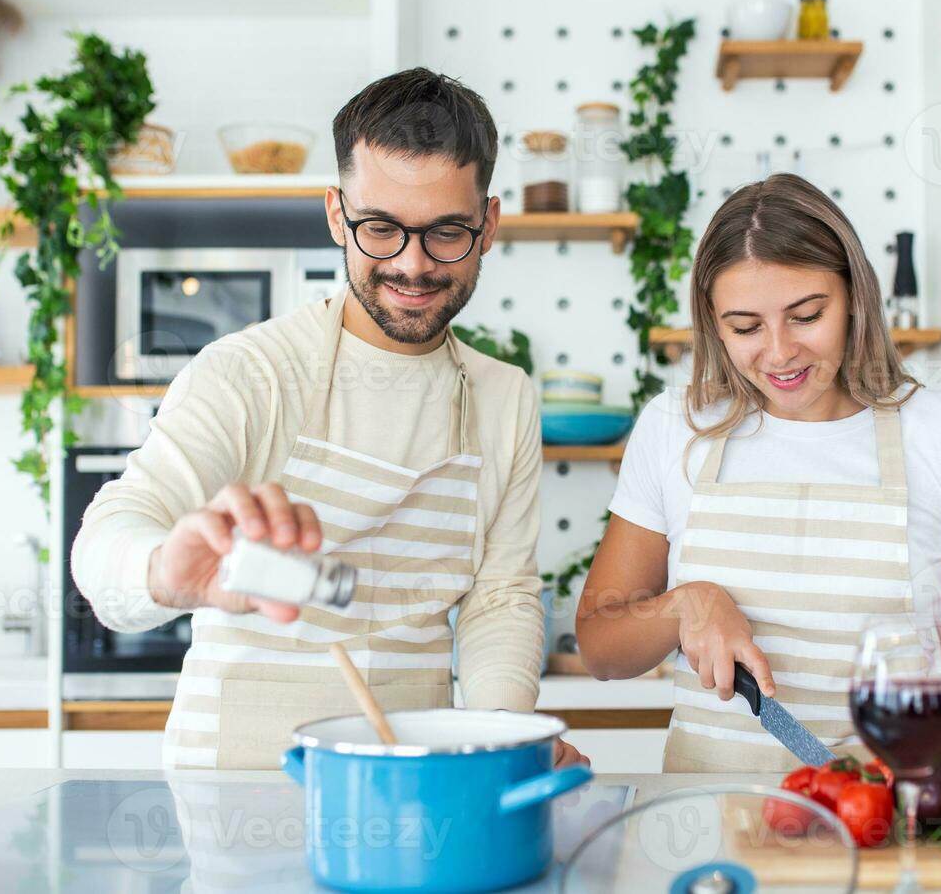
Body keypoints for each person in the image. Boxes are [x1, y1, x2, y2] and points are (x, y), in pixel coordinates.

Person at [74, 68, 585, 770]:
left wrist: (499, 739)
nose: (412, 265)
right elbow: (107, 540)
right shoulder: (250, 374)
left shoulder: (504, 398)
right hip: (236, 789)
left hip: (417, 776)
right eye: (380, 228)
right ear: (336, 216)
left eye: (447, 233)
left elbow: (499, 598)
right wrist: (165, 569)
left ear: (488, 224)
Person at [575, 174, 941, 772]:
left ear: (854, 298)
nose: (780, 351)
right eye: (745, 327)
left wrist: (930, 754)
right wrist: (686, 605)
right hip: (707, 825)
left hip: (883, 821)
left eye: (807, 315)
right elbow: (600, 647)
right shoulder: (674, 428)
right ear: (714, 324)